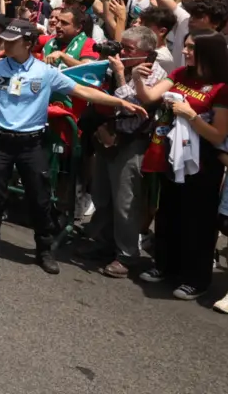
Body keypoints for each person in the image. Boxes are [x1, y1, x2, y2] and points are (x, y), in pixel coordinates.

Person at [0, 19, 147, 274]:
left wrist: (119, 103)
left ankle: (43, 250)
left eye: (13, 40)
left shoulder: (45, 72)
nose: (7, 43)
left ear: (27, 43)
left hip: (31, 145)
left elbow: (82, 90)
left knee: (40, 199)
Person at [134, 30, 228, 300]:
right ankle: (165, 265)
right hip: (172, 155)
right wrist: (137, 79)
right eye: (185, 46)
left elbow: (218, 135)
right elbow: (151, 97)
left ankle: (196, 279)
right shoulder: (180, 74)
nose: (184, 51)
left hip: (203, 163)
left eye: (190, 48)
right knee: (169, 212)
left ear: (207, 53)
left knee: (197, 220)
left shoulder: (223, 87)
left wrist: (191, 115)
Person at [78, 26, 165, 278]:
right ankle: (104, 245)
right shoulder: (118, 63)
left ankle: (127, 255)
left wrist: (120, 74)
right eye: (121, 46)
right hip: (106, 137)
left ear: (146, 52)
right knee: (102, 195)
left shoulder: (154, 72)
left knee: (125, 201)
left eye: (129, 49)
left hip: (131, 141)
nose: (122, 52)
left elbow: (132, 107)